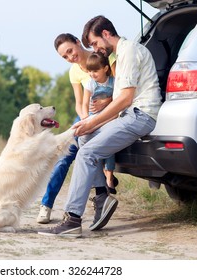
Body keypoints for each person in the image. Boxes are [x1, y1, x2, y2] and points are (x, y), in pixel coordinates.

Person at [38, 15, 162, 238]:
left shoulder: (129, 51)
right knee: (83, 138)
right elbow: (118, 101)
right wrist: (88, 124)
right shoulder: (123, 53)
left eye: (94, 43)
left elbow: (124, 99)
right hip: (128, 114)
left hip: (140, 116)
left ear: (106, 34)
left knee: (85, 153)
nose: (95, 49)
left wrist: (92, 121)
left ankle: (73, 220)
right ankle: (103, 196)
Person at [36, 33, 112, 224]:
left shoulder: (100, 57)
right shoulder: (74, 71)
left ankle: (102, 195)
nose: (70, 57)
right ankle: (46, 205)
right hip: (86, 115)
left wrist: (105, 105)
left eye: (70, 51)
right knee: (65, 155)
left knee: (86, 152)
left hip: (109, 112)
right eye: (65, 56)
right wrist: (86, 119)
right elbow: (79, 103)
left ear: (78, 43)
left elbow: (118, 89)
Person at [82, 51, 118, 194]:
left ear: (105, 68)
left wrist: (106, 102)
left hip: (110, 117)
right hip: (94, 117)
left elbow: (119, 99)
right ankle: (98, 177)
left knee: (108, 142)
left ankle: (109, 176)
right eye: (90, 71)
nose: (92, 74)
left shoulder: (114, 82)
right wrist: (86, 119)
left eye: (95, 71)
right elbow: (85, 103)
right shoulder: (90, 83)